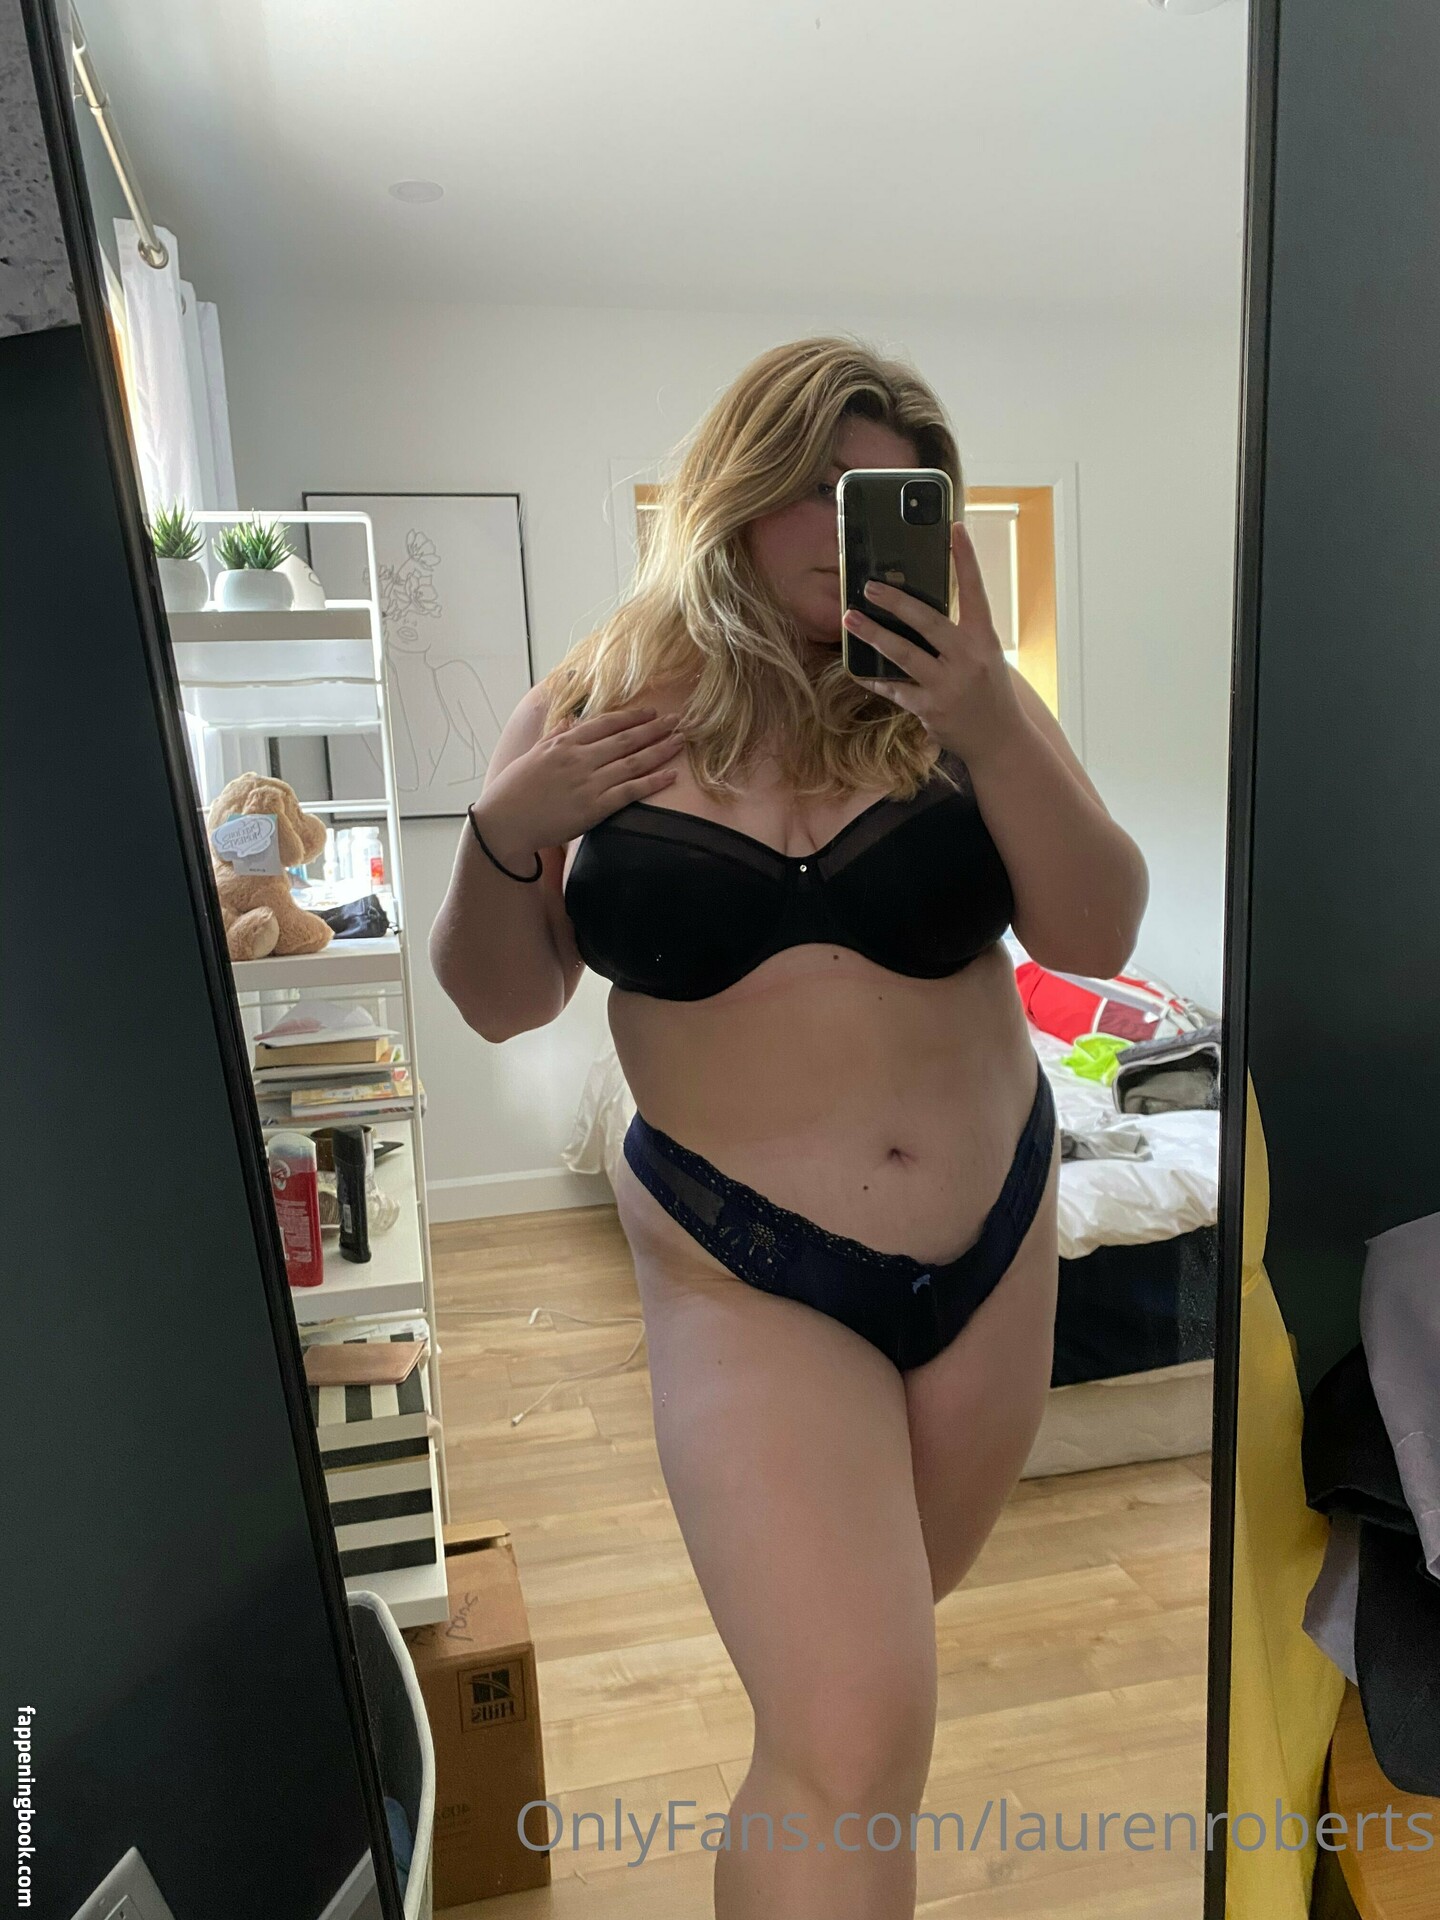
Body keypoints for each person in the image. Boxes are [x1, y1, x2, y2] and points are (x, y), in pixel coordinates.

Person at [430, 336, 1148, 1918]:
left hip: (995, 1239)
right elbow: (500, 1002)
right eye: (816, 487)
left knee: (855, 1706)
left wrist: (992, 717)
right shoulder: (594, 704)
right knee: (851, 1731)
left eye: (890, 494)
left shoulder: (964, 699)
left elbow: (1096, 933)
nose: (846, 525)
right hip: (740, 1266)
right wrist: (503, 833)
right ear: (737, 491)